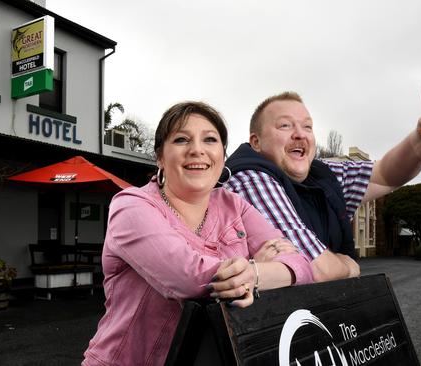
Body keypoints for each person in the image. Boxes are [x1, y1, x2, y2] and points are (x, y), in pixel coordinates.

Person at [83, 101, 314, 365]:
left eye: (210, 140)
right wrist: (259, 268)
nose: (197, 150)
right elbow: (188, 279)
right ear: (160, 156)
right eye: (182, 140)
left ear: (222, 156)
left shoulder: (234, 205)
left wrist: (254, 273)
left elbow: (303, 268)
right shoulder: (131, 206)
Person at [224, 91, 421, 282]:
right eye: (285, 125)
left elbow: (384, 175)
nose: (300, 134)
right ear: (256, 142)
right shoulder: (250, 178)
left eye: (307, 126)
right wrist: (350, 265)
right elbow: (314, 268)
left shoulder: (320, 174)